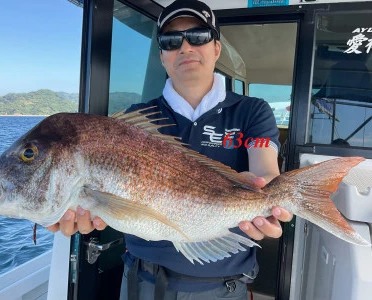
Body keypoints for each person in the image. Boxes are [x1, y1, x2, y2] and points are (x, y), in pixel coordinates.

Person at [47, 0, 293, 299]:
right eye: (171, 40)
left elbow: (264, 171)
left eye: (198, 36)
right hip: (141, 280)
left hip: (222, 285)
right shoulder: (134, 122)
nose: (185, 47)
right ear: (162, 56)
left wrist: (270, 199)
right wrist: (75, 209)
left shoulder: (252, 110)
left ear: (216, 48)